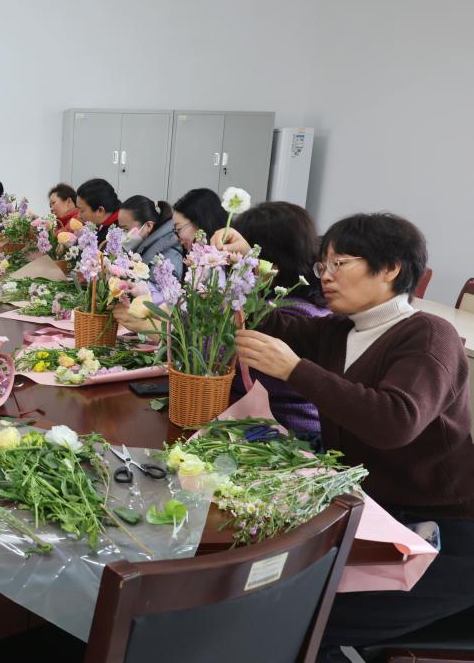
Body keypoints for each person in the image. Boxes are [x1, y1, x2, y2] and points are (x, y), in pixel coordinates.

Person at [228, 213, 474, 662]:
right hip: (381, 517)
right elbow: (265, 323)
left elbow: (394, 421)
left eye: (340, 263)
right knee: (277, 600)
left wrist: (296, 370)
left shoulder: (428, 335)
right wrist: (243, 264)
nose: (326, 276)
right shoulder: (341, 330)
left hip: (446, 535)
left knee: (300, 617)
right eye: (322, 265)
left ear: (391, 268)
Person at [209, 201, 329, 437]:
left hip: (287, 436)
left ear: (270, 264)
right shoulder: (310, 305)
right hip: (262, 427)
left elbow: (215, 362)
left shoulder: (291, 315)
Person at [116, 194, 183, 281]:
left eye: (125, 229)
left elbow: (166, 285)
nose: (122, 234)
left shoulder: (170, 250)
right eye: (120, 229)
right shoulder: (144, 246)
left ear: (148, 226)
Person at [75, 178, 122, 243]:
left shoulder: (115, 237)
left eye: (82, 211)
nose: (78, 216)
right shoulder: (100, 226)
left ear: (100, 211)